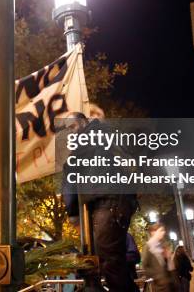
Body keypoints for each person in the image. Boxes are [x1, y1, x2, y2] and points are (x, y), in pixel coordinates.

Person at [62, 111, 138, 291]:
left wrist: (72, 213)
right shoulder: (93, 139)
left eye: (72, 126)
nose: (71, 132)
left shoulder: (96, 136)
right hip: (106, 204)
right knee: (101, 262)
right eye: (68, 129)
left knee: (109, 263)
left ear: (83, 122)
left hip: (109, 202)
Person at [142, 223, 177, 292]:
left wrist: (168, 258)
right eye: (160, 231)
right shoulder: (148, 247)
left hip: (170, 282)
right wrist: (157, 276)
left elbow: (168, 264)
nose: (163, 233)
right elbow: (145, 266)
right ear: (153, 232)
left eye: (163, 231)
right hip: (160, 285)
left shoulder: (163, 245)